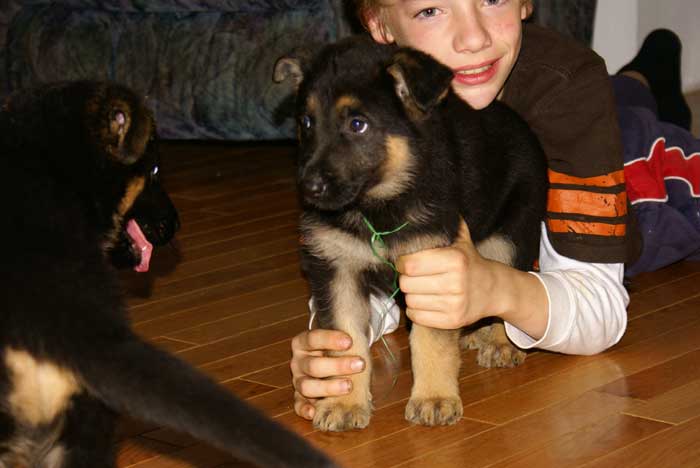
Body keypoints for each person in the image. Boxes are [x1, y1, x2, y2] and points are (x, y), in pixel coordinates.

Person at [290, 0, 699, 421]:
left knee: (656, 170)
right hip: (508, 161)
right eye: (430, 10)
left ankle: (651, 71)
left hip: (609, 157)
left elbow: (603, 312)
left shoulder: (570, 90)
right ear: (380, 25)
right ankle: (641, 77)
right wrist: (336, 355)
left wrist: (494, 288)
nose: (474, 38)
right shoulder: (372, 97)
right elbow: (381, 261)